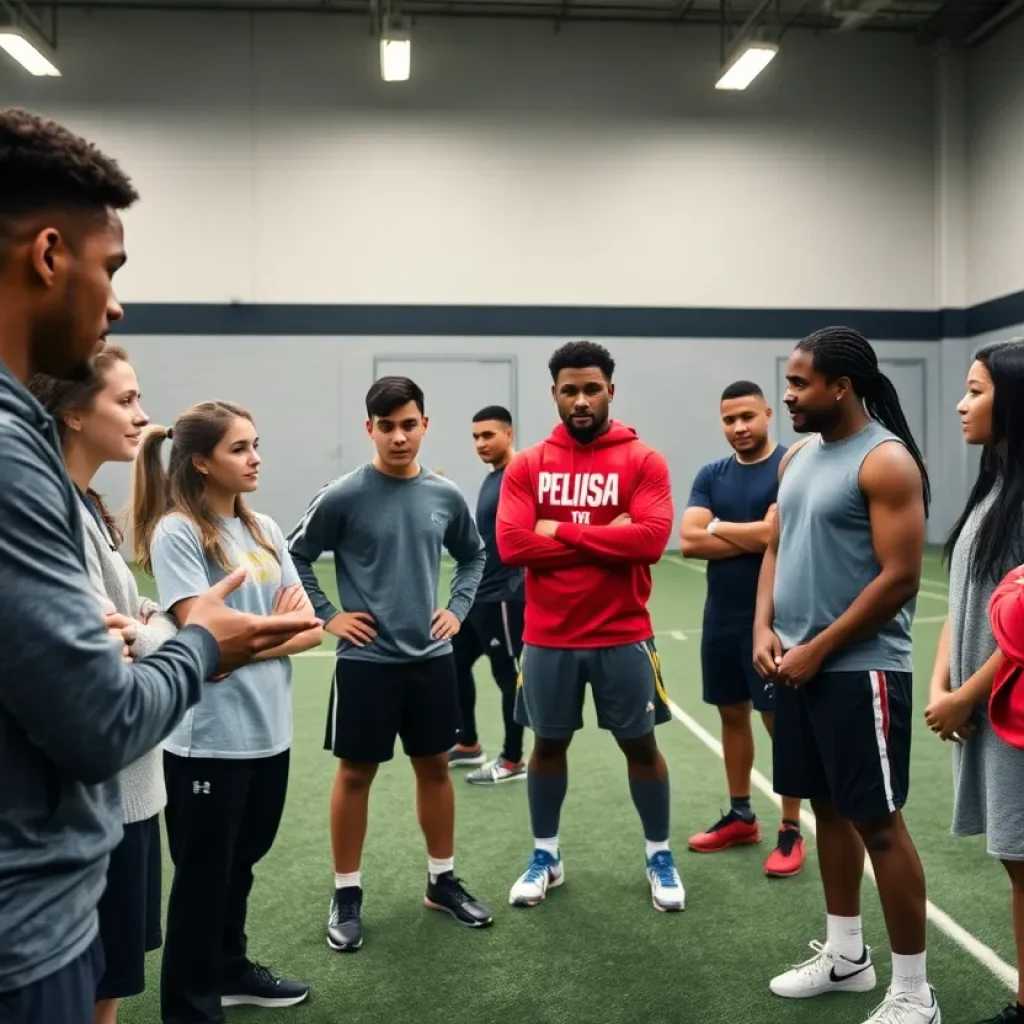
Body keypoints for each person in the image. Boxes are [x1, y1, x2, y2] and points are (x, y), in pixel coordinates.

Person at [0, 107, 317, 1024]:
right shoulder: (16, 453)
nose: (117, 303)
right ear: (49, 254)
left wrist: (137, 640)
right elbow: (102, 718)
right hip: (24, 933)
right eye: (113, 269)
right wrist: (195, 644)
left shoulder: (34, 452)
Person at [754, 326, 937, 1024]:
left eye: (800, 383)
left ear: (842, 387)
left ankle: (915, 991)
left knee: (878, 824)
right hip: (799, 665)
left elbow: (899, 580)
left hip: (859, 672)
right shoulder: (797, 455)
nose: (789, 395)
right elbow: (777, 541)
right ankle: (846, 957)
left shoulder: (886, 462)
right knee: (827, 809)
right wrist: (762, 627)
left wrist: (819, 648)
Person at [287, 375, 492, 954]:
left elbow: (473, 556)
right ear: (369, 429)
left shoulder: (444, 495)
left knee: (435, 768)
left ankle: (441, 880)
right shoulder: (343, 494)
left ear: (425, 425)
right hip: (366, 663)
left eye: (409, 425)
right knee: (356, 775)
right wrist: (328, 614)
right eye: (386, 427)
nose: (398, 437)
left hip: (431, 659)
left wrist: (455, 609)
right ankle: (346, 892)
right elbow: (295, 554)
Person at [132, 400, 323, 1022]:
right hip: (206, 740)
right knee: (202, 881)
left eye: (255, 444)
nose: (256, 457)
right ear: (201, 462)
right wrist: (269, 628)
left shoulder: (264, 527)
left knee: (241, 863)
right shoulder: (177, 531)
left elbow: (311, 628)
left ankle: (230, 969)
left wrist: (248, 636)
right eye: (240, 448)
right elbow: (202, 643)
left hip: (269, 731)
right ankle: (190, 1008)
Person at [495, 339, 683, 912]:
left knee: (641, 745)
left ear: (610, 391)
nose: (581, 400)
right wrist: (610, 537)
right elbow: (510, 543)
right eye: (570, 390)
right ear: (554, 394)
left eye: (591, 389)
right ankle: (546, 855)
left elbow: (650, 541)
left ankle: (659, 855)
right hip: (548, 638)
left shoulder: (643, 459)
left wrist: (561, 531)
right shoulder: (528, 464)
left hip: (624, 633)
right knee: (547, 745)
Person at [28, 344, 178, 1024]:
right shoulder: (51, 512)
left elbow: (132, 623)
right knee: (90, 993)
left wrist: (145, 629)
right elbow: (108, 650)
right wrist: (171, 637)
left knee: (109, 985)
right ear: (71, 411)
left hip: (132, 793)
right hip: (99, 801)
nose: (142, 416)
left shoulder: (87, 507)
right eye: (125, 400)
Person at [923, 339, 1024, 1024]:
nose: (961, 404)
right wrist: (941, 684)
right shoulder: (994, 489)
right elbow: (961, 602)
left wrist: (968, 693)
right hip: (982, 707)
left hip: (1009, 714)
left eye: (976, 390)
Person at [680, 379, 804, 877]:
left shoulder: (788, 468)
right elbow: (688, 541)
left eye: (747, 417)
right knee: (732, 714)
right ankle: (741, 815)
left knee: (781, 723)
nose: (739, 427)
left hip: (775, 620)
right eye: (730, 420)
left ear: (768, 414)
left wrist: (717, 527)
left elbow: (787, 537)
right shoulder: (712, 474)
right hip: (721, 619)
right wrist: (755, 535)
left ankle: (791, 827)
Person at [449, 405, 528, 785]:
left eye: (488, 435)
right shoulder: (492, 478)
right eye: (476, 437)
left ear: (509, 434)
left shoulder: (520, 475)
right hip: (479, 595)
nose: (481, 443)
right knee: (453, 661)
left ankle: (513, 760)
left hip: (505, 597)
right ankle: (468, 744)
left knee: (506, 677)